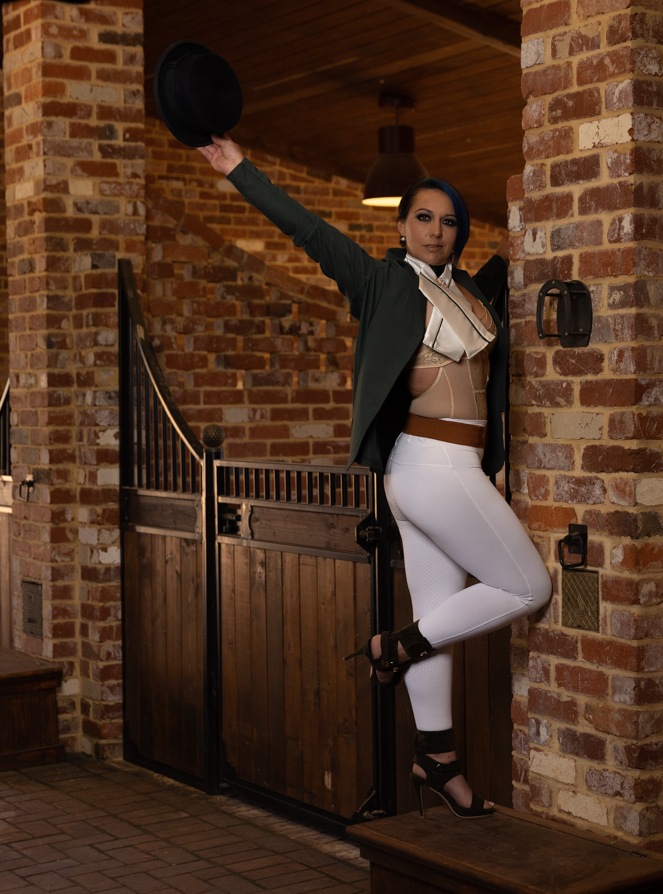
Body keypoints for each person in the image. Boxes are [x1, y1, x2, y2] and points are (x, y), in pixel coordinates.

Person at [197, 135, 552, 818]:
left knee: (437, 617)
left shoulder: (471, 292)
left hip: (442, 471)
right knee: (528, 586)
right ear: (401, 225)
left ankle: (436, 761)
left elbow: (520, 253)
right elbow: (308, 230)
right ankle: (392, 647)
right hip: (430, 465)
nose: (437, 230)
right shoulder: (381, 282)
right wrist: (239, 168)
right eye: (424, 217)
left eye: (450, 221)